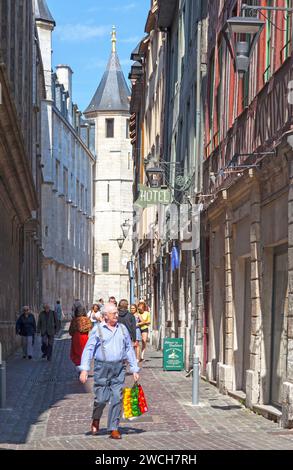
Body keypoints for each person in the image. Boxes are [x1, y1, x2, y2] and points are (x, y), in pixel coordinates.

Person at [79, 303, 140, 440]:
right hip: (102, 368)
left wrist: (134, 368)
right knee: (101, 399)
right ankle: (96, 418)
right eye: (113, 314)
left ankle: (114, 428)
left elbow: (128, 349)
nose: (116, 315)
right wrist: (84, 369)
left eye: (116, 313)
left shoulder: (122, 329)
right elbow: (88, 350)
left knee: (117, 398)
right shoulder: (98, 330)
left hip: (119, 368)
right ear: (105, 316)